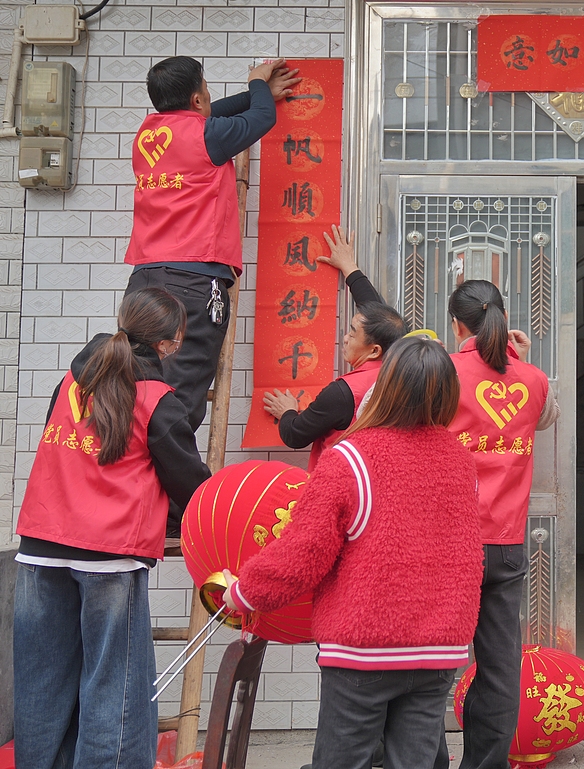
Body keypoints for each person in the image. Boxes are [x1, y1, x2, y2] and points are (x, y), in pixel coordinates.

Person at [222, 337, 483, 769]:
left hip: (364, 647)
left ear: (387, 385)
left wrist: (244, 593)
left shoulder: (351, 458)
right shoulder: (460, 461)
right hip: (439, 647)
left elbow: (302, 554)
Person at [13, 288, 211, 769]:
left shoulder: (73, 380)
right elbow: (190, 484)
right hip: (109, 553)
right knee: (114, 686)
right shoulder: (159, 400)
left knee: (42, 682)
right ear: (171, 342)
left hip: (40, 546)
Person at [124, 55, 301, 431]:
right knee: (179, 398)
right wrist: (256, 82)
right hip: (189, 281)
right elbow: (262, 119)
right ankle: (171, 487)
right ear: (196, 100)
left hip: (143, 280)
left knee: (136, 388)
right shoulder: (208, 136)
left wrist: (257, 93)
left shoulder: (146, 136)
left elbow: (205, 113)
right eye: (205, 90)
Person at [437, 280, 559, 769]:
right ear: (504, 320)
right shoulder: (532, 379)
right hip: (506, 543)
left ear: (456, 324)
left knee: (432, 665)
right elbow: (546, 418)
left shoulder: (443, 372)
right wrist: (522, 358)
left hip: (448, 540)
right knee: (500, 665)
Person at [263, 226, 408, 469]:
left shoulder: (343, 393)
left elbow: (296, 435)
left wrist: (287, 411)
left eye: (353, 333)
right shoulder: (404, 366)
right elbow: (377, 316)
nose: (346, 337)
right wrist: (349, 267)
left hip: (341, 483)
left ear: (374, 350)